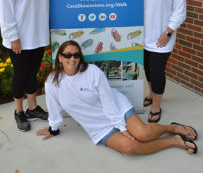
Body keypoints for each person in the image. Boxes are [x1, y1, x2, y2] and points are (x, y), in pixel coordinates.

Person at [36, 40, 198, 155]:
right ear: (60, 58)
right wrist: (53, 129)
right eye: (67, 55)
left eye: (76, 55)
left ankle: (172, 128)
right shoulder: (52, 82)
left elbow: (108, 100)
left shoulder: (92, 72)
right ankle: (174, 141)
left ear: (80, 57)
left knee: (142, 134)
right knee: (130, 147)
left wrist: (122, 127)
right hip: (97, 126)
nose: (72, 59)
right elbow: (53, 108)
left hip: (116, 107)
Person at [0, 0, 50, 131]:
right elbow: (6, 5)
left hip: (37, 32)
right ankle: (19, 111)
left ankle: (33, 108)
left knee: (32, 73)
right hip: (19, 35)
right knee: (20, 74)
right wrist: (12, 35)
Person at [144, 0, 186, 122]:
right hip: (143, 36)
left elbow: (180, 11)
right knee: (147, 68)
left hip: (163, 37)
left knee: (156, 70)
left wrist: (168, 33)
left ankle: (156, 107)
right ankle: (151, 94)